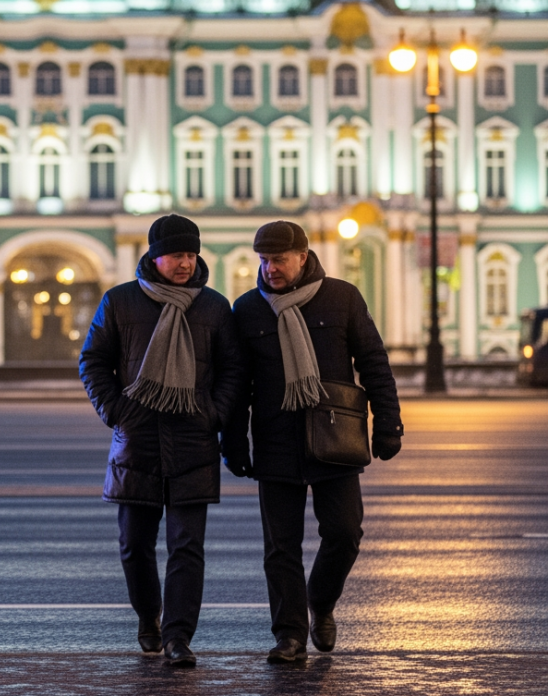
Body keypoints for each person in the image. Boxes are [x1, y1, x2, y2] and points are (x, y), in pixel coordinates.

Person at [222, 220, 402, 664]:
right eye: (263, 260)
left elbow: (373, 361)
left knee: (344, 534)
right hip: (275, 439)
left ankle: (320, 601)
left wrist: (389, 423)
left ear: (303, 256)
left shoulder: (341, 298)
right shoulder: (247, 309)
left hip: (335, 437)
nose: (270, 269)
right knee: (280, 548)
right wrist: (233, 441)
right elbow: (237, 382)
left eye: (279, 259)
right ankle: (289, 636)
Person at [80, 214, 243, 667]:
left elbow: (233, 370)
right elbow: (93, 361)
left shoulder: (212, 307)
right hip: (137, 441)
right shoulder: (121, 302)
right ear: (155, 256)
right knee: (134, 546)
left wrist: (214, 412)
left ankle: (178, 637)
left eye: (191, 254)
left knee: (187, 547)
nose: (185, 263)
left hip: (193, 440)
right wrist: (117, 411)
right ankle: (148, 616)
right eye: (177, 255)